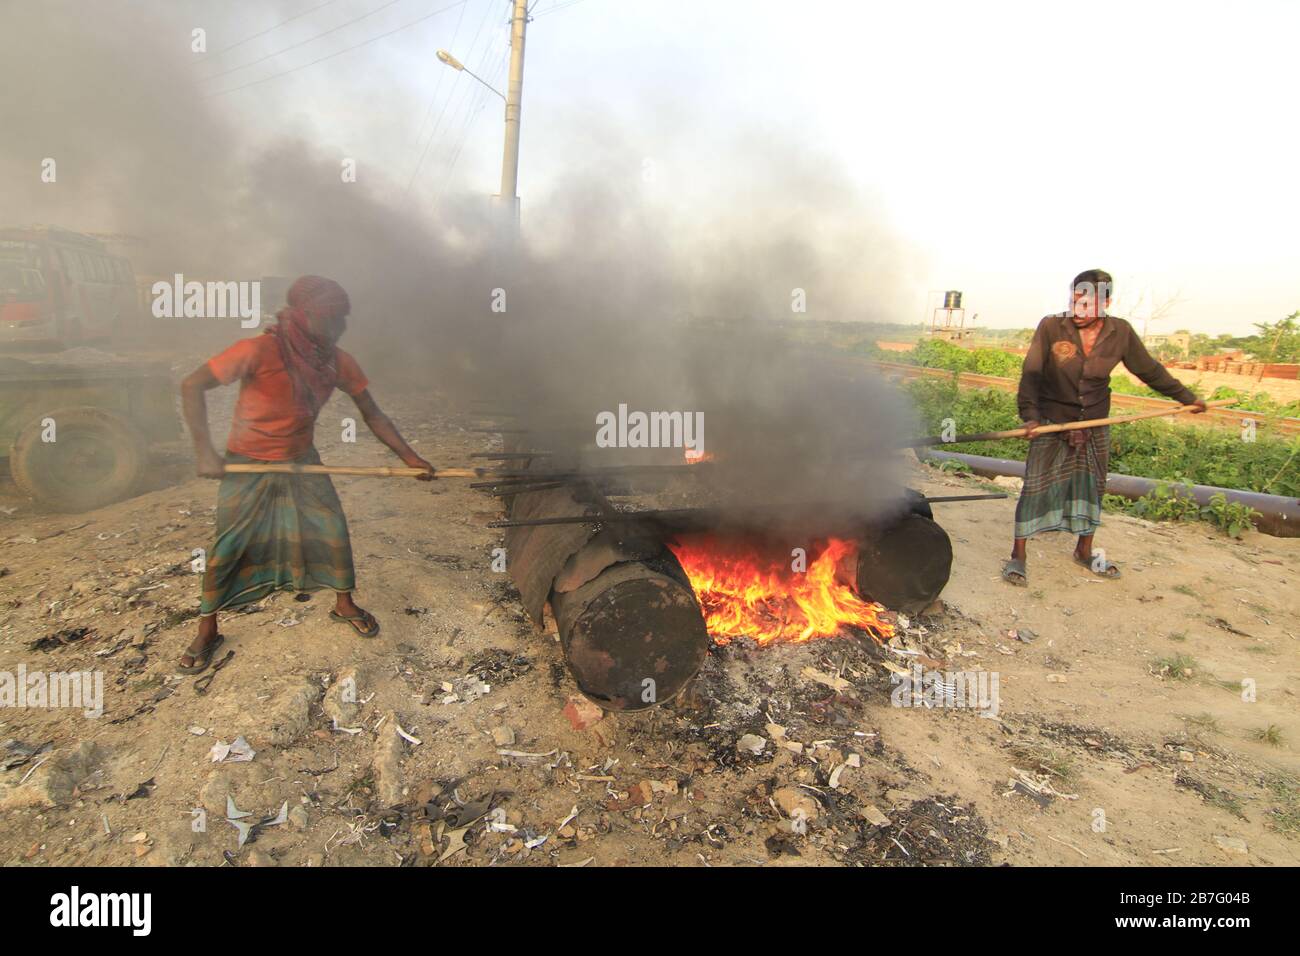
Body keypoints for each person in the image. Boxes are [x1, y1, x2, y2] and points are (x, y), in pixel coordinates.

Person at [176, 275, 434, 672]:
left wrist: (410, 458)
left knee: (330, 527)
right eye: (331, 319)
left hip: (301, 459)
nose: (338, 328)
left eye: (343, 319)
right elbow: (192, 385)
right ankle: (208, 627)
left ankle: (343, 603)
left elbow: (372, 412)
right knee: (229, 544)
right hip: (249, 461)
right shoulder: (258, 350)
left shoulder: (336, 361)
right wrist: (205, 452)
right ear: (303, 314)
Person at [1002, 269, 1205, 586]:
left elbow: (1149, 370)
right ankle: (1018, 556)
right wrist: (1030, 415)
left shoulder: (1120, 332)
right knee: (1036, 486)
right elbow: (1032, 374)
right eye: (1075, 301)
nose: (1078, 310)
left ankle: (1084, 551)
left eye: (1087, 304)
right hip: (1052, 420)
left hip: (1096, 421)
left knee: (1091, 487)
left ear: (1106, 301)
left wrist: (1187, 397)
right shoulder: (1051, 326)